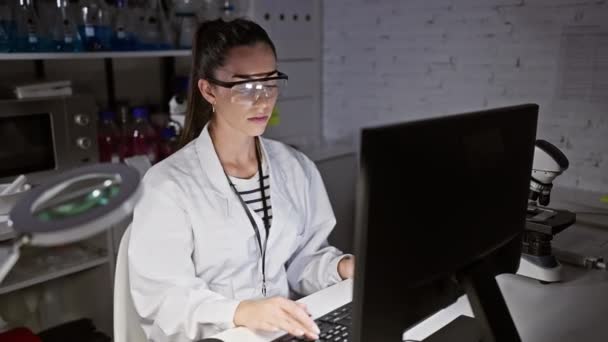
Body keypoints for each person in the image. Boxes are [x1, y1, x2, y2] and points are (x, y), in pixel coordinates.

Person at [128, 18, 355, 342]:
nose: (262, 100)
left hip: (284, 333)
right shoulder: (167, 186)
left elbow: (303, 260)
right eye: (245, 87)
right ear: (208, 90)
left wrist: (342, 268)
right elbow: (166, 302)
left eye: (270, 82)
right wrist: (241, 312)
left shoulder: (295, 169)